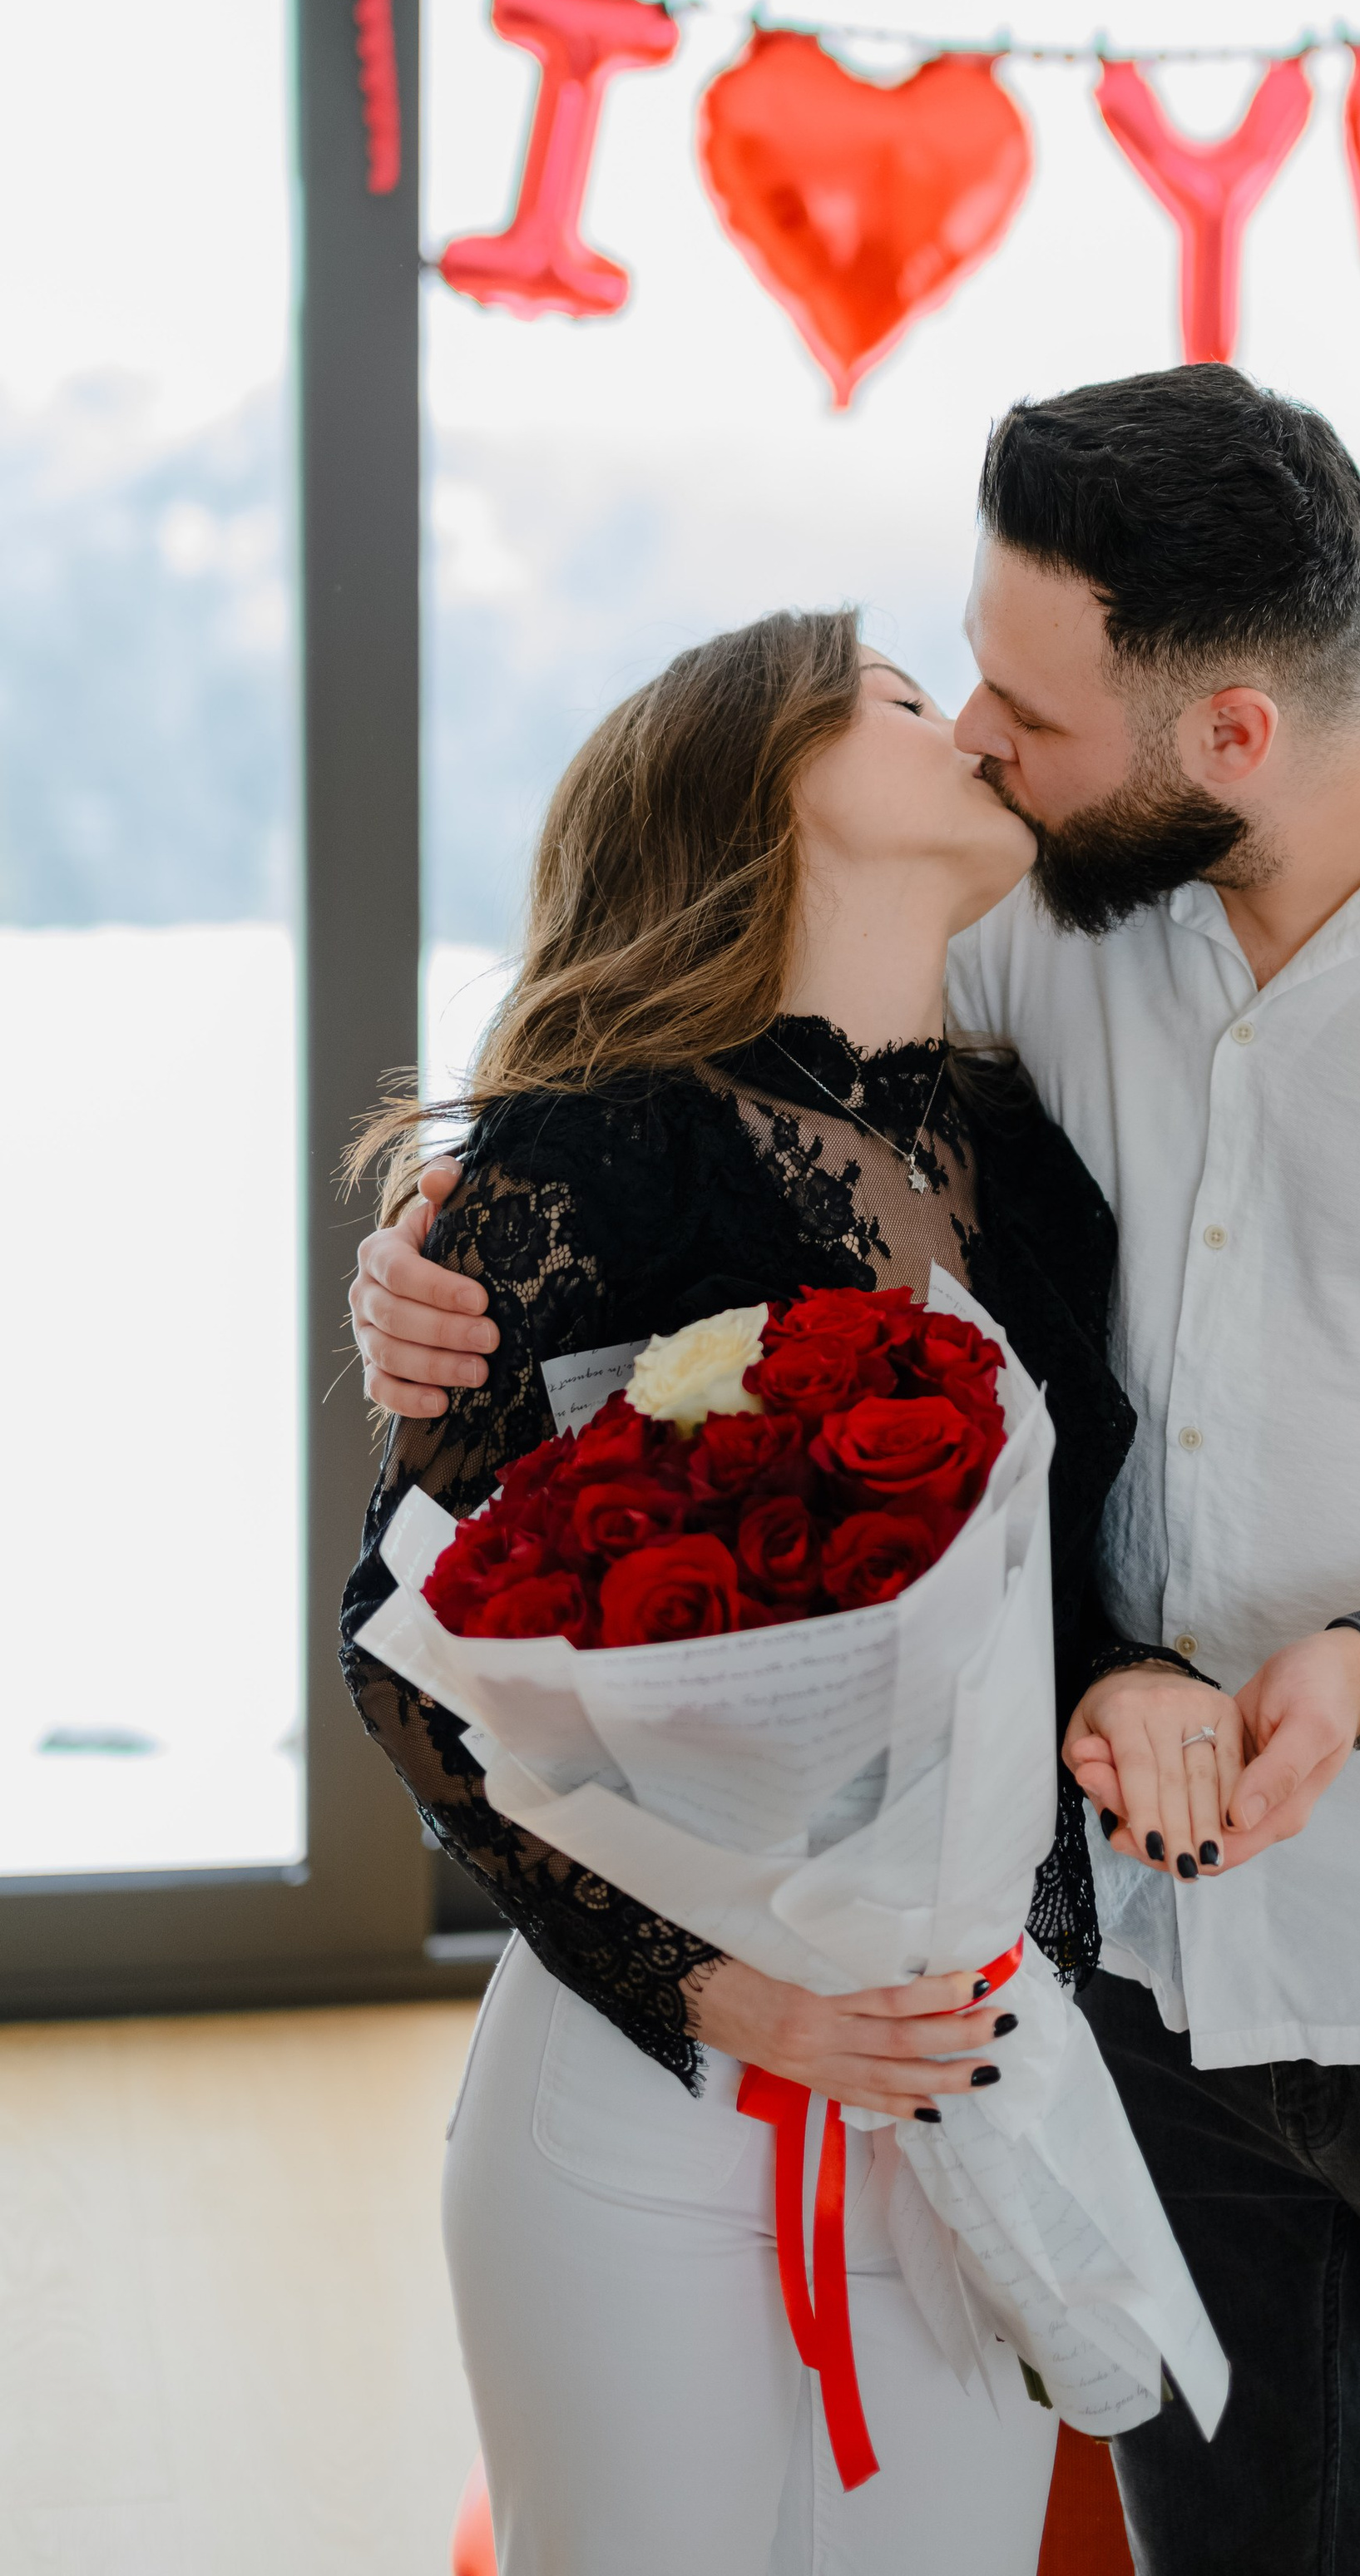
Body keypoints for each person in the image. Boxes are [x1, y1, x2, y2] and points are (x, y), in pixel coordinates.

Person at [352, 365, 1360, 2576]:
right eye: (962, 682)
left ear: (1232, 738)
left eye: (1026, 704)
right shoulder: (1044, 910)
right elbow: (708, 1027)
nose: (983, 738)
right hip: (1139, 1987)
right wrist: (428, 1285)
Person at [339, 609, 1174, 2576]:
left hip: (964, 2066)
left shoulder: (1031, 1160)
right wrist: (715, 1985)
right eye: (895, 696)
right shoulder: (590, 1155)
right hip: (652, 2083)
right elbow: (405, 1661)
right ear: (761, 784)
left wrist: (1128, 1688)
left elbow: (1061, 1582)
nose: (956, 723)